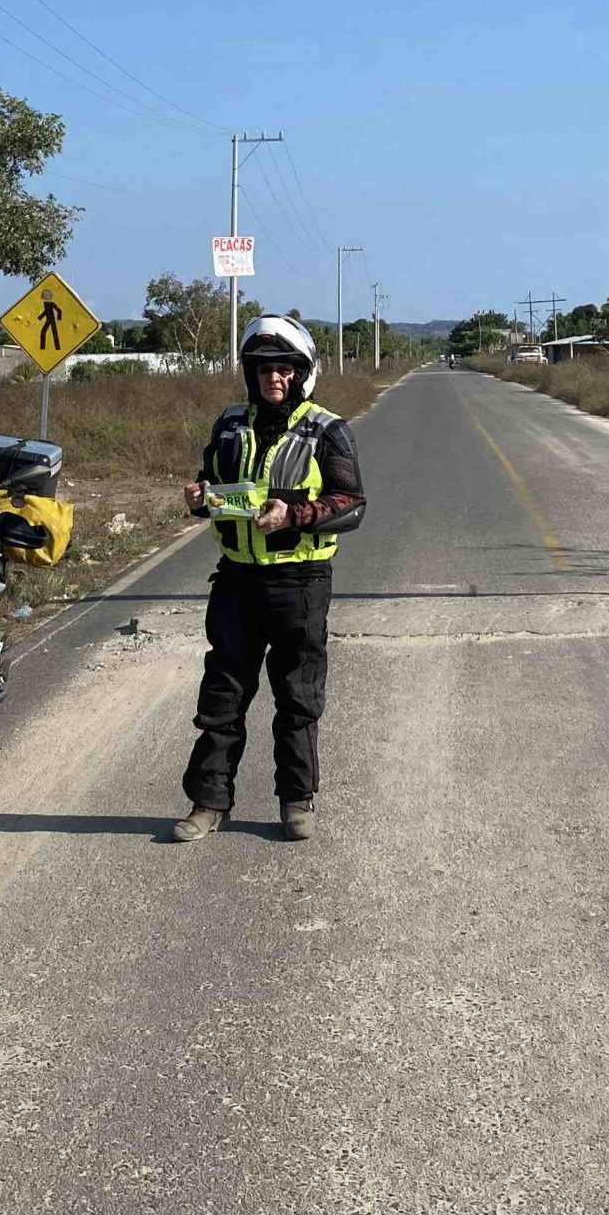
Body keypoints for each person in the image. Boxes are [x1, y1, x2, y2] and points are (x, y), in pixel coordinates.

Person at [172, 314, 366, 843]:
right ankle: (208, 803)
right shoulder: (229, 424)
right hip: (236, 582)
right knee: (222, 697)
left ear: (302, 374)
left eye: (284, 369)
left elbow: (351, 505)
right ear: (249, 374)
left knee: (297, 698)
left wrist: (295, 515)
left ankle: (296, 802)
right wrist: (198, 497)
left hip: (299, 584)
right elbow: (213, 484)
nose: (273, 379)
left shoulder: (329, 430)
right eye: (262, 370)